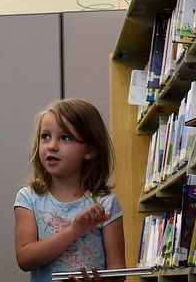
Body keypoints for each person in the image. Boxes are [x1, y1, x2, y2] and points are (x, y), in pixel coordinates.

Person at [14, 99, 126, 282]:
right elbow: (25, 259)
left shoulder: (106, 203)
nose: (51, 146)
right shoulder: (28, 198)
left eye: (65, 137)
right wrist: (74, 230)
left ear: (89, 150)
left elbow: (117, 269)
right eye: (45, 136)